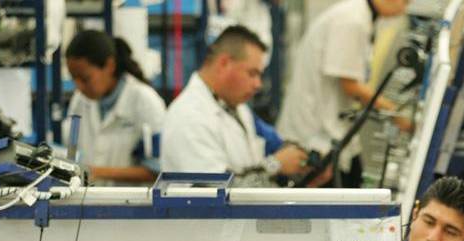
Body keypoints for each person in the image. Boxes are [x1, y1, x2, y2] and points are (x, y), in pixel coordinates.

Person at [276, 0, 410, 187]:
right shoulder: (352, 20)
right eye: (405, 2)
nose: (404, 9)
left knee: (354, 180)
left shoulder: (361, 16)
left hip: (331, 129)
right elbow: (350, 85)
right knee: (344, 191)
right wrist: (396, 114)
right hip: (314, 134)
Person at [160, 26, 309, 184]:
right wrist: (274, 165)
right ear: (224, 63)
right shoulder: (189, 117)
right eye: (252, 73)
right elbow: (215, 190)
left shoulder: (236, 108)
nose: (258, 84)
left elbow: (271, 145)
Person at [65, 30, 166, 184]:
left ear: (110, 66)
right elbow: (71, 153)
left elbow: (156, 170)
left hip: (129, 198)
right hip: (87, 196)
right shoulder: (79, 101)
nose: (78, 86)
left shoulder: (145, 101)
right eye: (74, 78)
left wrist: (96, 172)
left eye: (85, 78)